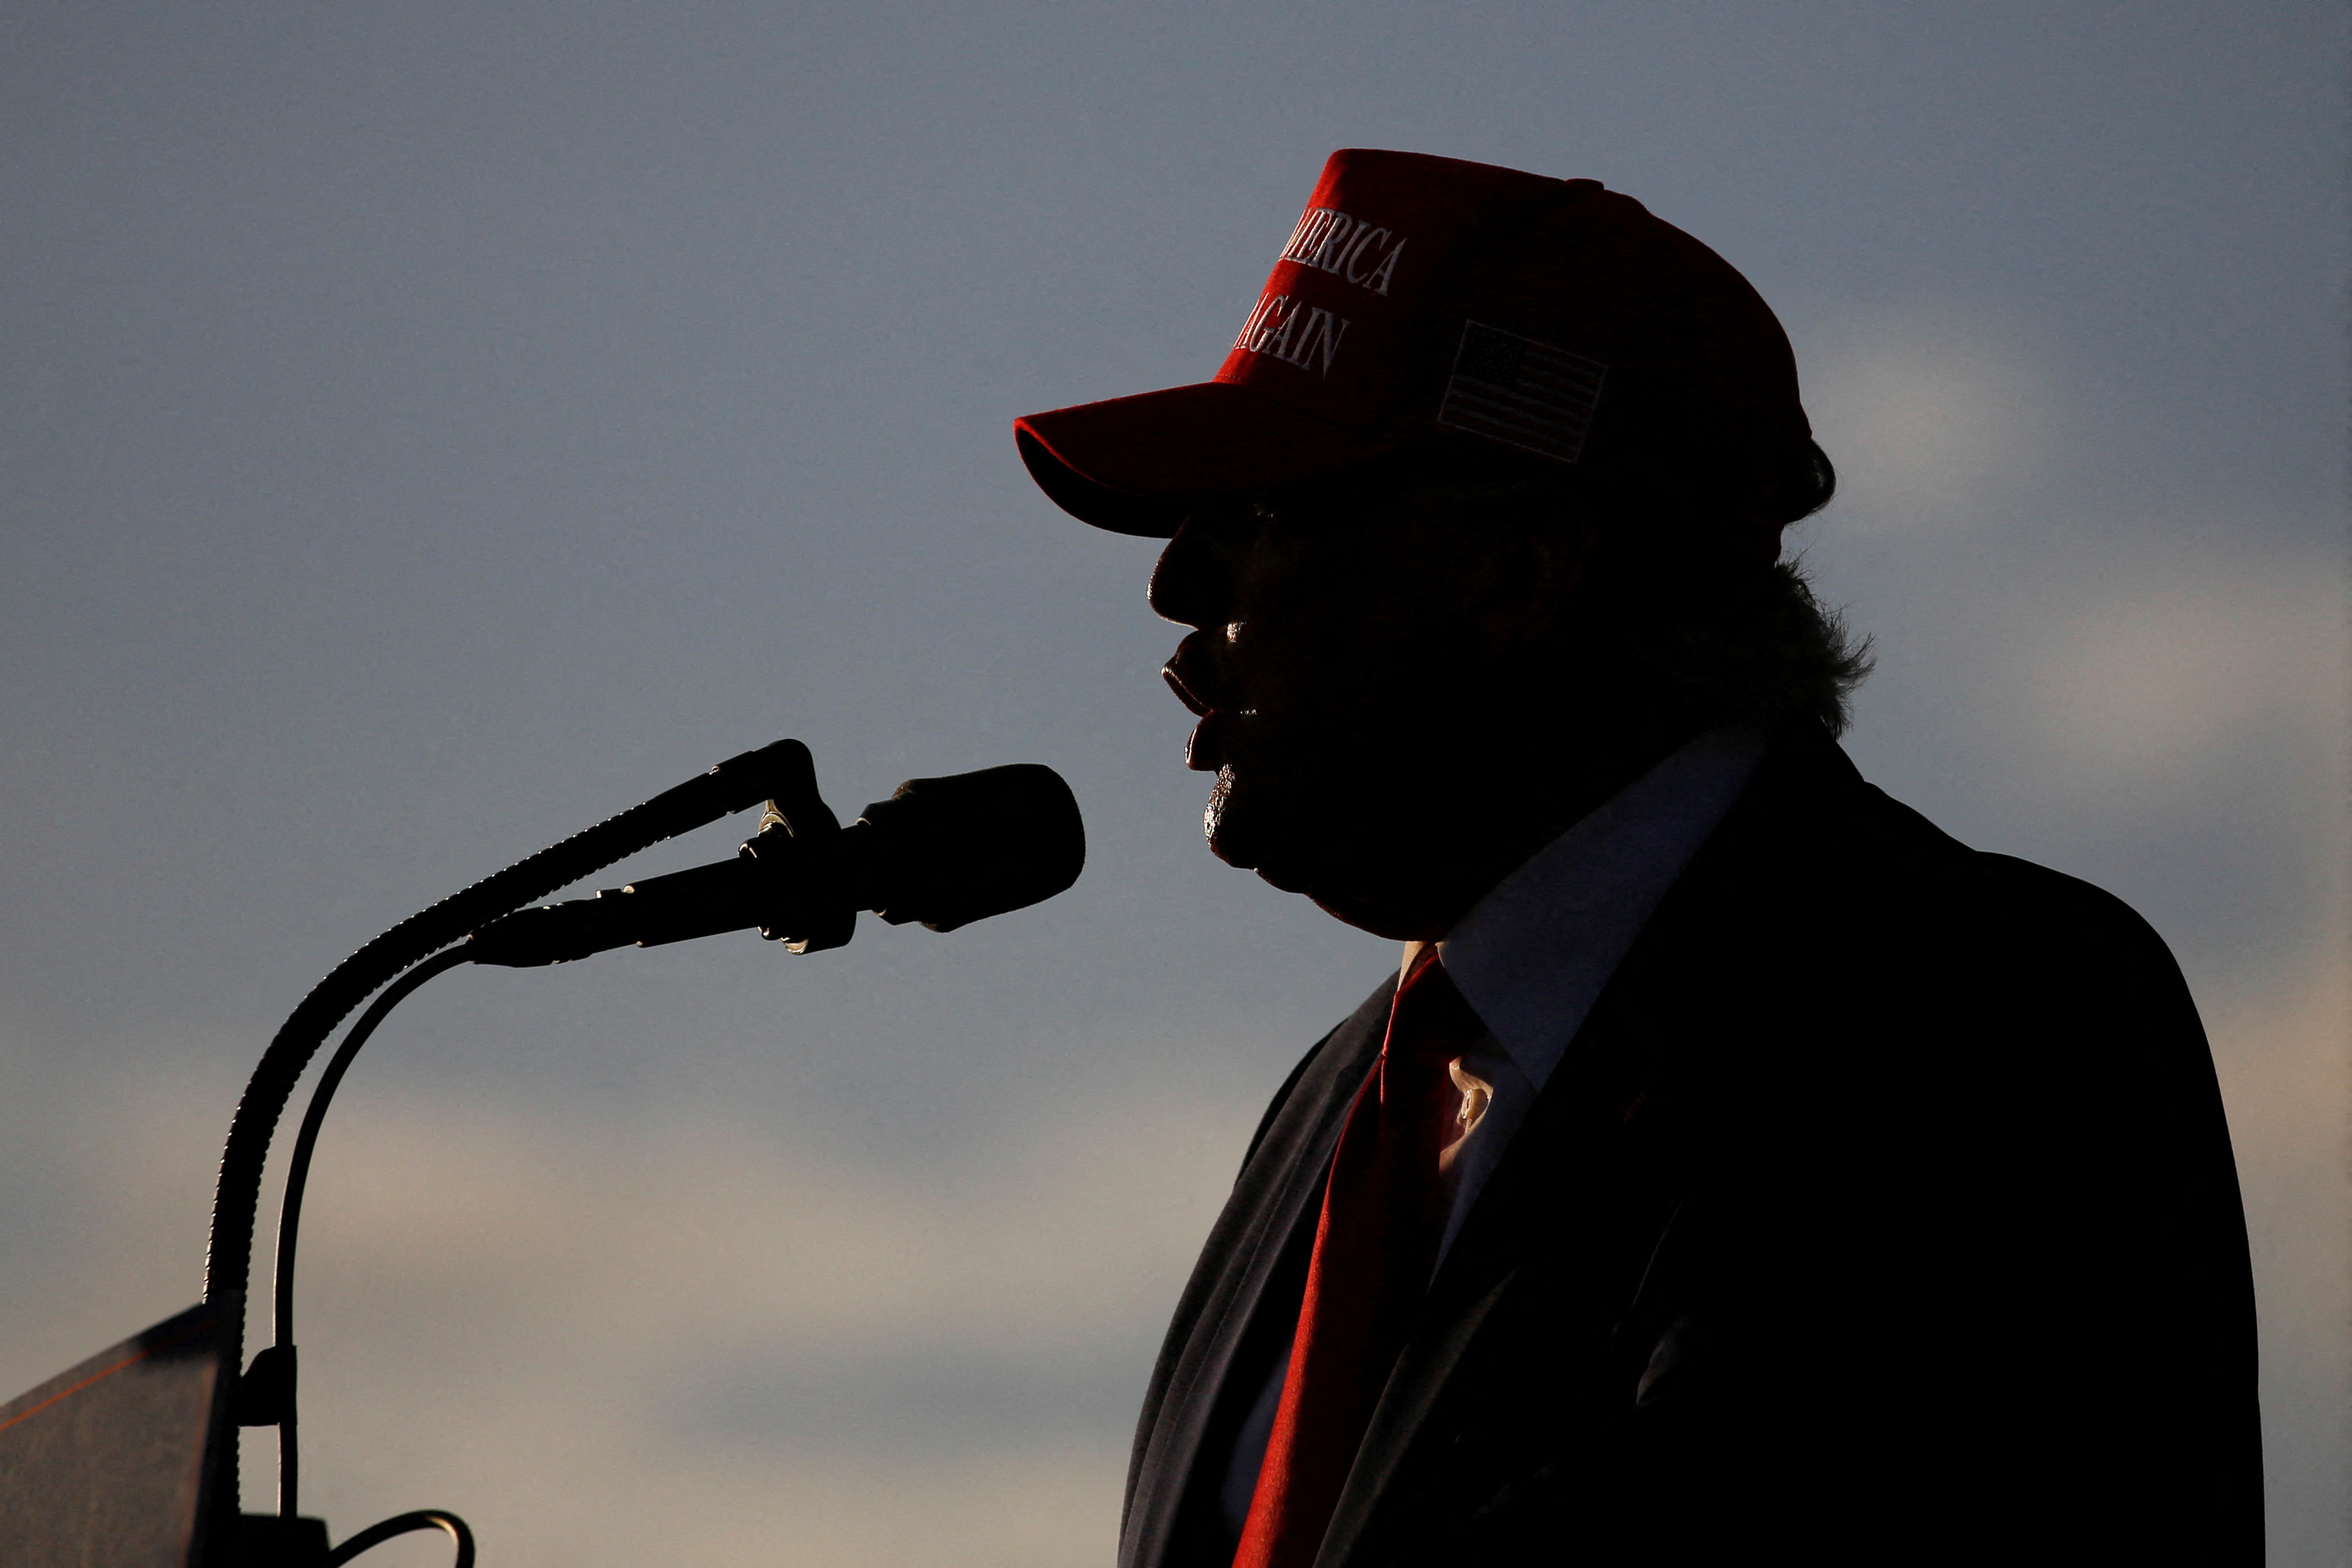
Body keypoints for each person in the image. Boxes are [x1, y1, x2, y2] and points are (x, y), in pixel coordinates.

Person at [1014, 150, 2262, 1567]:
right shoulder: (1336, 1110)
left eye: (1259, 511)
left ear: (1516, 575)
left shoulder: (1978, 1006)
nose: (1175, 586)